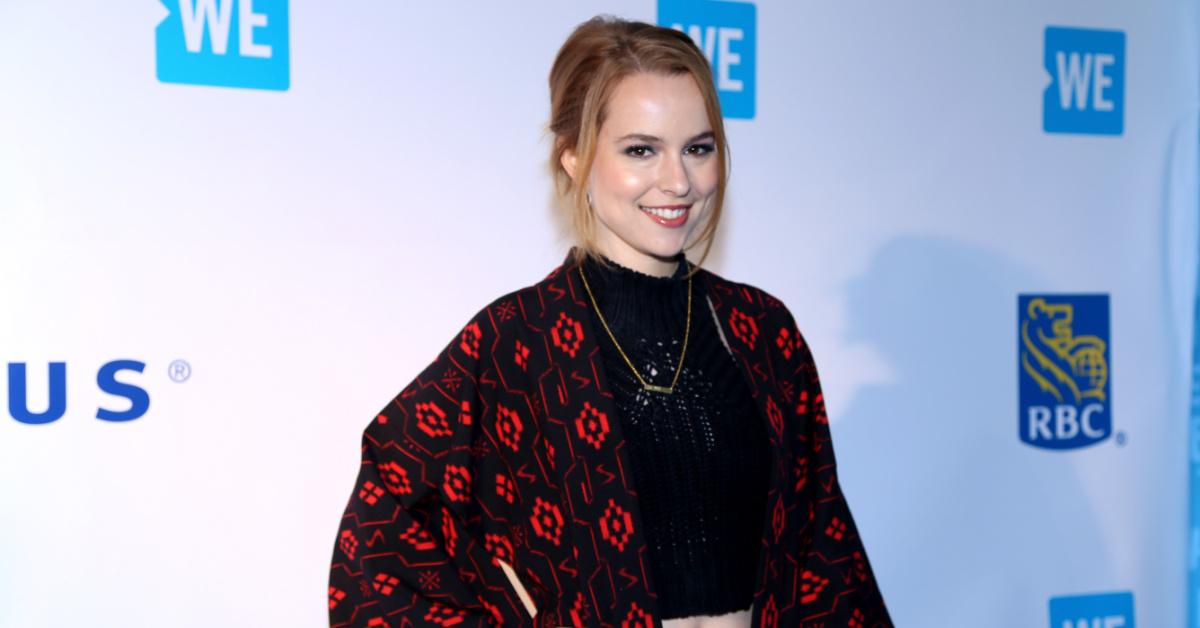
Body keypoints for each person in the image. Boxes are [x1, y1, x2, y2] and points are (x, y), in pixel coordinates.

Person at [328, 16, 891, 628]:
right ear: (573, 156)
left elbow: (823, 553)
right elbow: (385, 532)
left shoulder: (762, 331)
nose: (678, 181)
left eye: (698, 148)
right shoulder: (516, 341)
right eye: (641, 150)